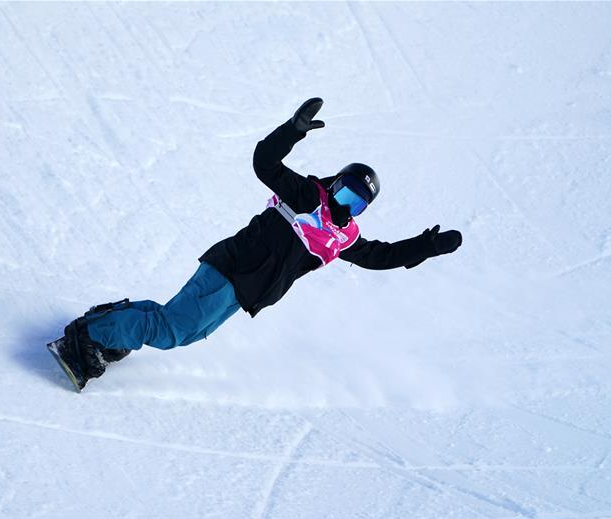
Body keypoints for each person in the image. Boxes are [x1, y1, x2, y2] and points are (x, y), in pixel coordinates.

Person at [49, 98, 462, 391]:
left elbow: (382, 257)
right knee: (175, 328)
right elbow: (265, 161)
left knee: (184, 331)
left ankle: (108, 329)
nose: (344, 201)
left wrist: (425, 247)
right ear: (334, 182)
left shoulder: (341, 238)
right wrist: (293, 131)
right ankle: (89, 338)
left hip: (247, 289)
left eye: (356, 201)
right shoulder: (306, 195)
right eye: (344, 189)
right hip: (232, 268)